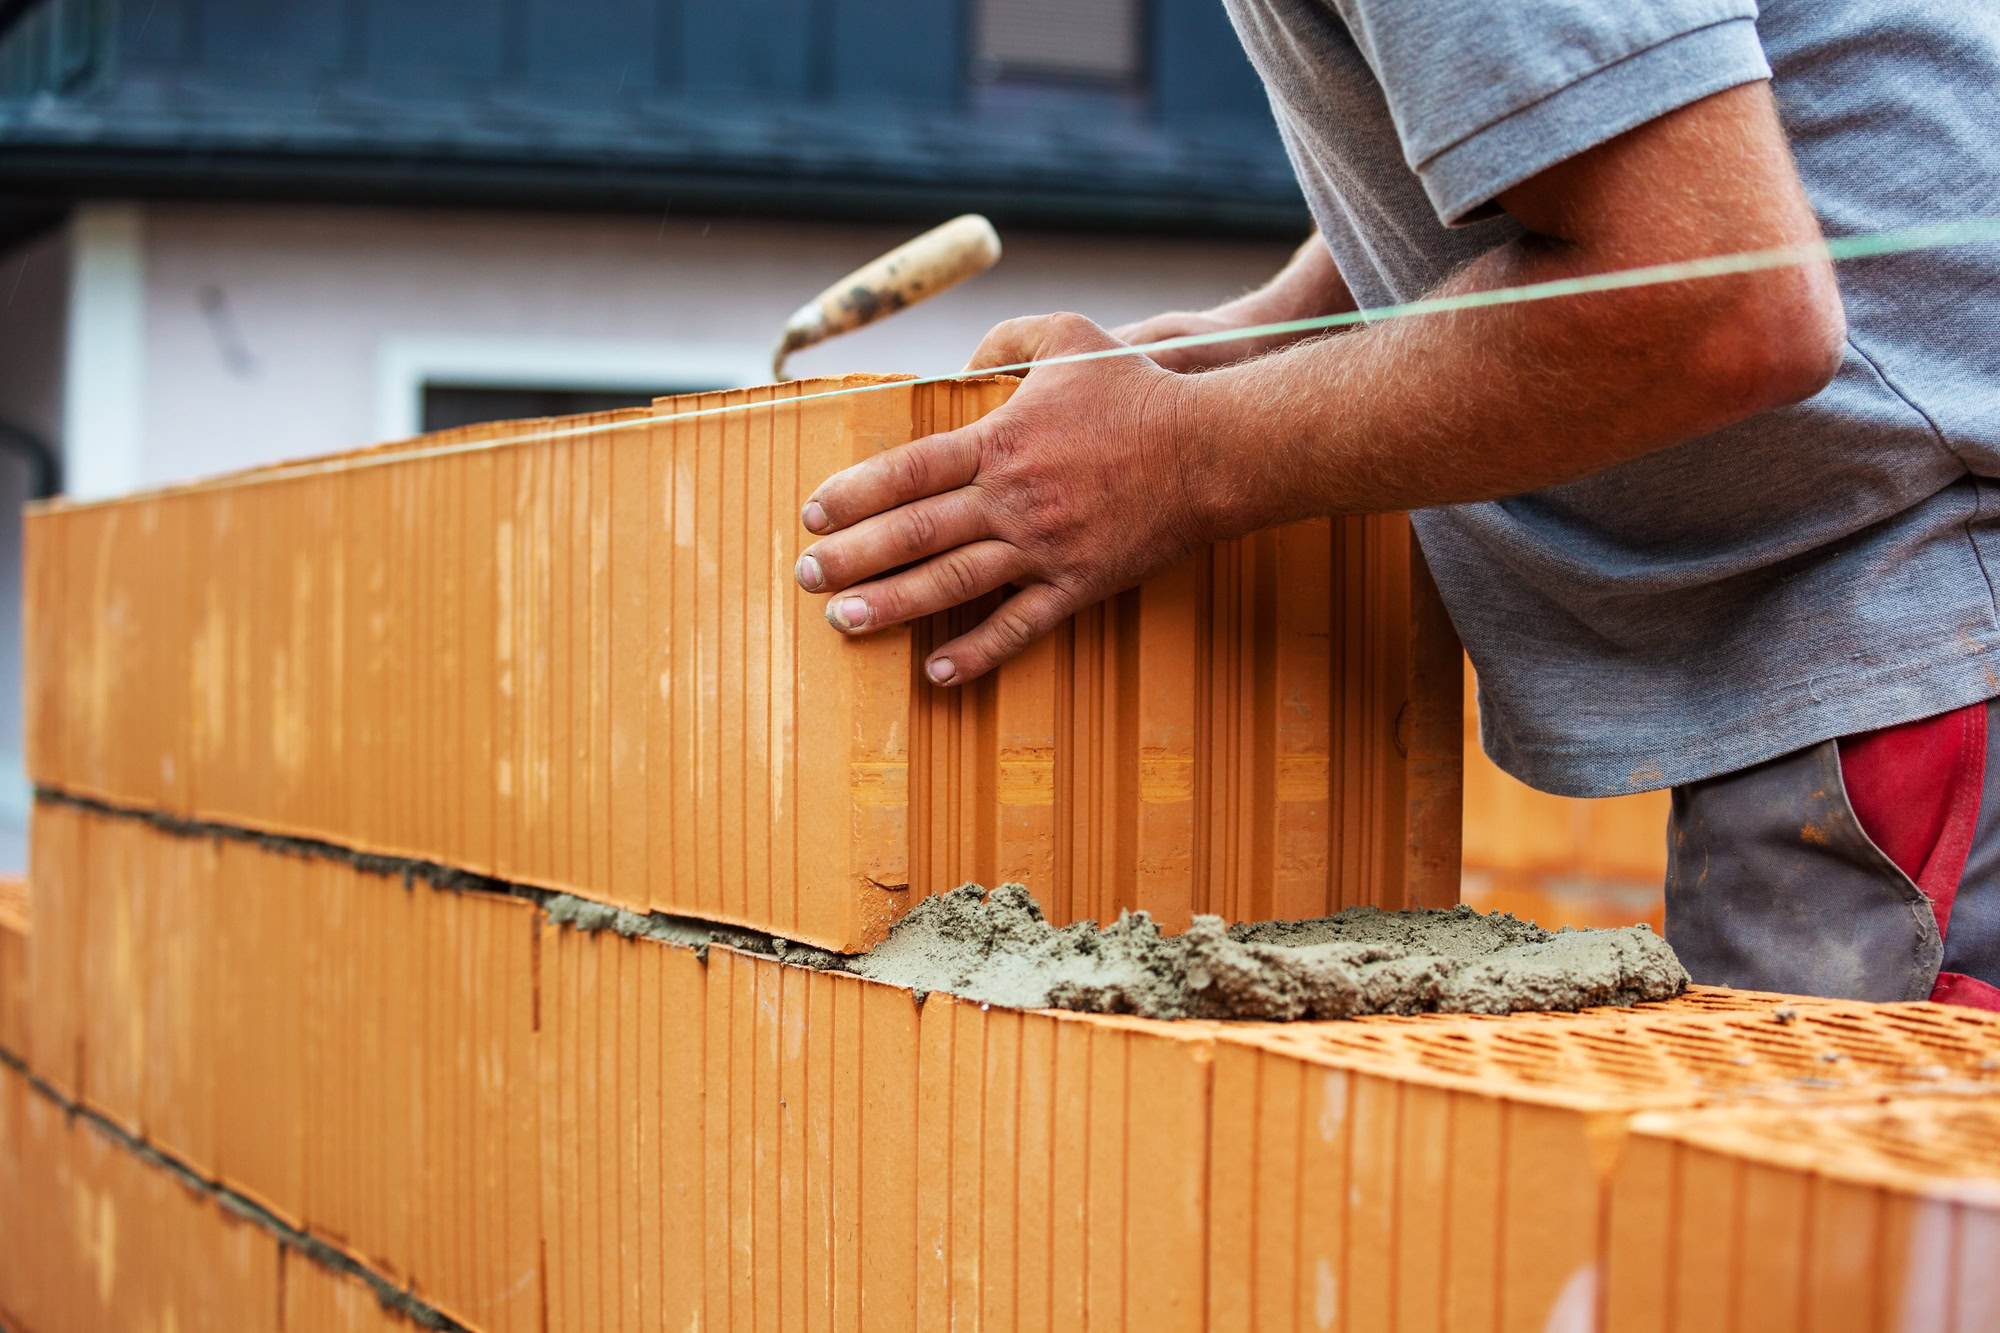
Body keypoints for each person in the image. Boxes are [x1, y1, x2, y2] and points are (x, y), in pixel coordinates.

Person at [788, 1, 2000, 1005]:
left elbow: (1722, 306)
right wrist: (1251, 343)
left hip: (1930, 605)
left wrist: (1180, 455)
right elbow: (1549, 116)